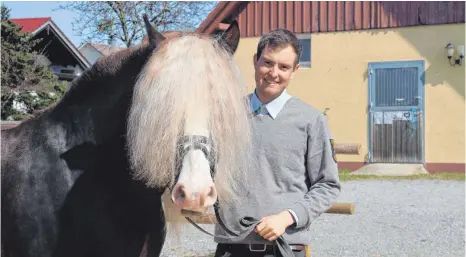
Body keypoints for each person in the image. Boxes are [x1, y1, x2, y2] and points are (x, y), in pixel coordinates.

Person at [213, 28, 341, 257]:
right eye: (268, 63)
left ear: (295, 71)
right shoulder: (226, 116)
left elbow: (327, 185)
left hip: (283, 248)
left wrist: (287, 217)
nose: (274, 73)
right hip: (230, 248)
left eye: (284, 67)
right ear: (255, 61)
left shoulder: (311, 120)